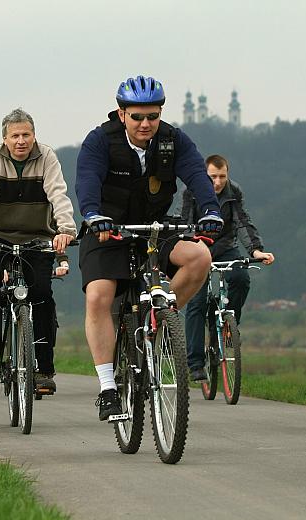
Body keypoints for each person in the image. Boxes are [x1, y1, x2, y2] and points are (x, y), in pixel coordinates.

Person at [76, 75, 223, 421]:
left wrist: (211, 211)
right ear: (121, 113)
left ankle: (159, 322)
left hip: (155, 228)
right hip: (107, 230)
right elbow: (87, 180)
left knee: (199, 256)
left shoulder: (173, 140)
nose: (146, 124)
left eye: (153, 116)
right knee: (99, 295)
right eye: (138, 116)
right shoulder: (100, 141)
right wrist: (93, 214)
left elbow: (198, 177)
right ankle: (109, 387)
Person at [0, 108, 76, 394]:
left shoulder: (47, 157)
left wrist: (65, 230)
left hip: (38, 237)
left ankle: (45, 369)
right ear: (5, 139)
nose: (21, 141)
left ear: (34, 136)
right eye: (15, 136)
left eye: (26, 134)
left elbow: (58, 195)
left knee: (41, 296)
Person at [181, 154, 275, 381]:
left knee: (241, 279)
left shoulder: (234, 192)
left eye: (222, 176)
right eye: (213, 176)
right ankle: (195, 363)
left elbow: (242, 221)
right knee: (196, 302)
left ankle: (227, 328)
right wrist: (188, 249)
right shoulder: (191, 191)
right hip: (197, 249)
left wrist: (255, 250)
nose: (218, 182)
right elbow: (185, 224)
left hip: (225, 247)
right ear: (205, 175)